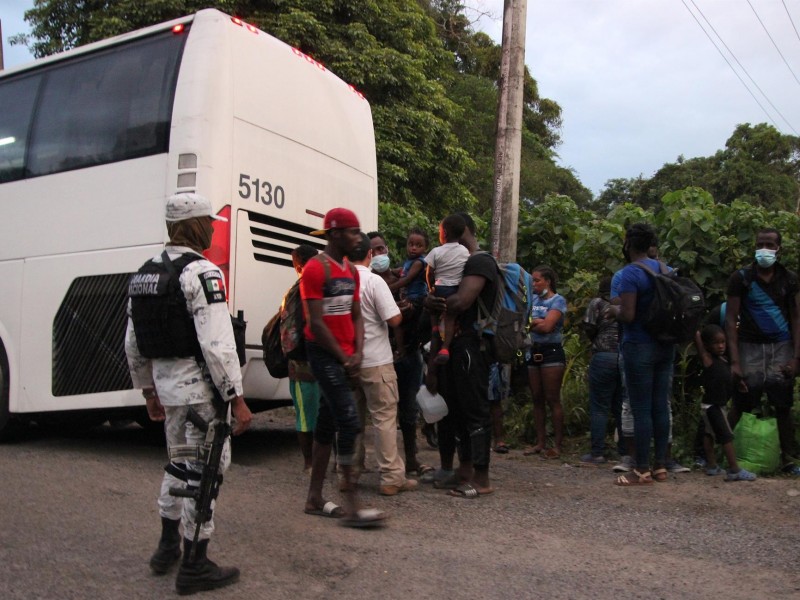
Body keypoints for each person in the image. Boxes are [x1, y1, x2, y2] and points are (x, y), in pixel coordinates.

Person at [125, 192, 252, 595]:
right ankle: (195, 563)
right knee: (206, 471)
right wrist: (237, 397)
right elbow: (217, 344)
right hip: (200, 391)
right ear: (196, 225)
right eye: (209, 222)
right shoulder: (202, 272)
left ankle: (166, 548)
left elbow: (133, 341)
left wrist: (147, 390)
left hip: (167, 387)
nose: (213, 228)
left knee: (178, 464)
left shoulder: (144, 273)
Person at [301, 207, 386, 527]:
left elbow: (355, 317)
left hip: (347, 356)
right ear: (335, 234)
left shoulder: (349, 271)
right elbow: (316, 323)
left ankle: (313, 498)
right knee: (349, 422)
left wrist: (358, 352)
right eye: (352, 232)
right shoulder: (315, 269)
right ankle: (353, 507)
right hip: (324, 354)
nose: (358, 238)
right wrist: (342, 356)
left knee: (326, 424)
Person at [425, 212, 497, 498]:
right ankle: (464, 470)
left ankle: (482, 478)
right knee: (455, 410)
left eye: (442, 230)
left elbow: (461, 301)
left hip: (470, 346)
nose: (441, 235)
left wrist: (434, 302)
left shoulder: (480, 261)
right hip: (453, 346)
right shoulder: (461, 261)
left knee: (475, 410)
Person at [725, 227, 800, 475]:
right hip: (749, 347)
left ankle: (788, 459)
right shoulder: (742, 278)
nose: (764, 249)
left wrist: (795, 357)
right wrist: (735, 361)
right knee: (742, 399)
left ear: (779, 249)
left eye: (769, 244)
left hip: (782, 346)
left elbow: (797, 317)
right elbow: (731, 319)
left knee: (783, 403)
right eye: (760, 244)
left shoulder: (789, 279)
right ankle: (714, 452)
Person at [351, 233, 419, 495]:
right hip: (376, 361)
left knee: (351, 419)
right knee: (384, 419)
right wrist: (401, 309)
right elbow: (393, 320)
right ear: (369, 255)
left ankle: (349, 474)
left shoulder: (339, 281)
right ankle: (390, 477)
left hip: (347, 361)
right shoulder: (373, 281)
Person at [607, 223, 674, 486]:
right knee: (660, 406)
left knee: (641, 408)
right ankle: (660, 466)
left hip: (639, 346)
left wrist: (612, 311)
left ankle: (641, 469)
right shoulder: (666, 269)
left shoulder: (630, 274)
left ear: (628, 244)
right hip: (665, 345)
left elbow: (628, 314)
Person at [693, 324, 757, 481]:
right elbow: (698, 342)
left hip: (711, 406)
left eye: (723, 342)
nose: (721, 346)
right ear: (707, 345)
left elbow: (727, 376)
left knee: (709, 435)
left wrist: (738, 383)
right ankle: (734, 469)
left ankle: (712, 465)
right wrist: (694, 328)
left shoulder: (723, 359)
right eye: (716, 343)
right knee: (726, 437)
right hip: (714, 407)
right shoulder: (707, 359)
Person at [523, 266, 568, 460]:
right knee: (537, 397)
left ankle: (557, 444)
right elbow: (524, 322)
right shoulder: (532, 300)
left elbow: (548, 326)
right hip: (533, 351)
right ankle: (540, 442)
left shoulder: (557, 300)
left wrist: (534, 323)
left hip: (551, 353)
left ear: (548, 281)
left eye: (537, 280)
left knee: (552, 398)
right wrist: (537, 322)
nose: (534, 284)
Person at [579, 277, 624, 465]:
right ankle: (625, 452)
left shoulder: (597, 303)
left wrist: (595, 340)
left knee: (599, 407)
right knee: (621, 407)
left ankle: (597, 452)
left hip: (603, 356)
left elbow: (589, 327)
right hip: (623, 357)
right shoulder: (625, 306)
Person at [285, 244, 321, 473]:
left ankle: (309, 463)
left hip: (301, 362)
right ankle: (315, 463)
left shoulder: (298, 287)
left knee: (305, 417)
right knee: (319, 413)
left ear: (297, 265)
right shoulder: (317, 284)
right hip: (318, 358)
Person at [425, 214, 470, 365]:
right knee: (450, 317)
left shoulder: (436, 251)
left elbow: (429, 273)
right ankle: (445, 348)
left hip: (440, 287)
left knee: (433, 310)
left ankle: (435, 330)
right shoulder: (464, 251)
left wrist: (431, 288)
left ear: (444, 233)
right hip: (456, 290)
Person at [389, 227, 429, 302]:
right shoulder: (409, 261)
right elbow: (403, 273)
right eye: (411, 244)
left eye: (419, 246)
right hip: (407, 297)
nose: (414, 248)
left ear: (426, 248)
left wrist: (388, 288)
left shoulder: (419, 262)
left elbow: (407, 279)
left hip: (416, 299)